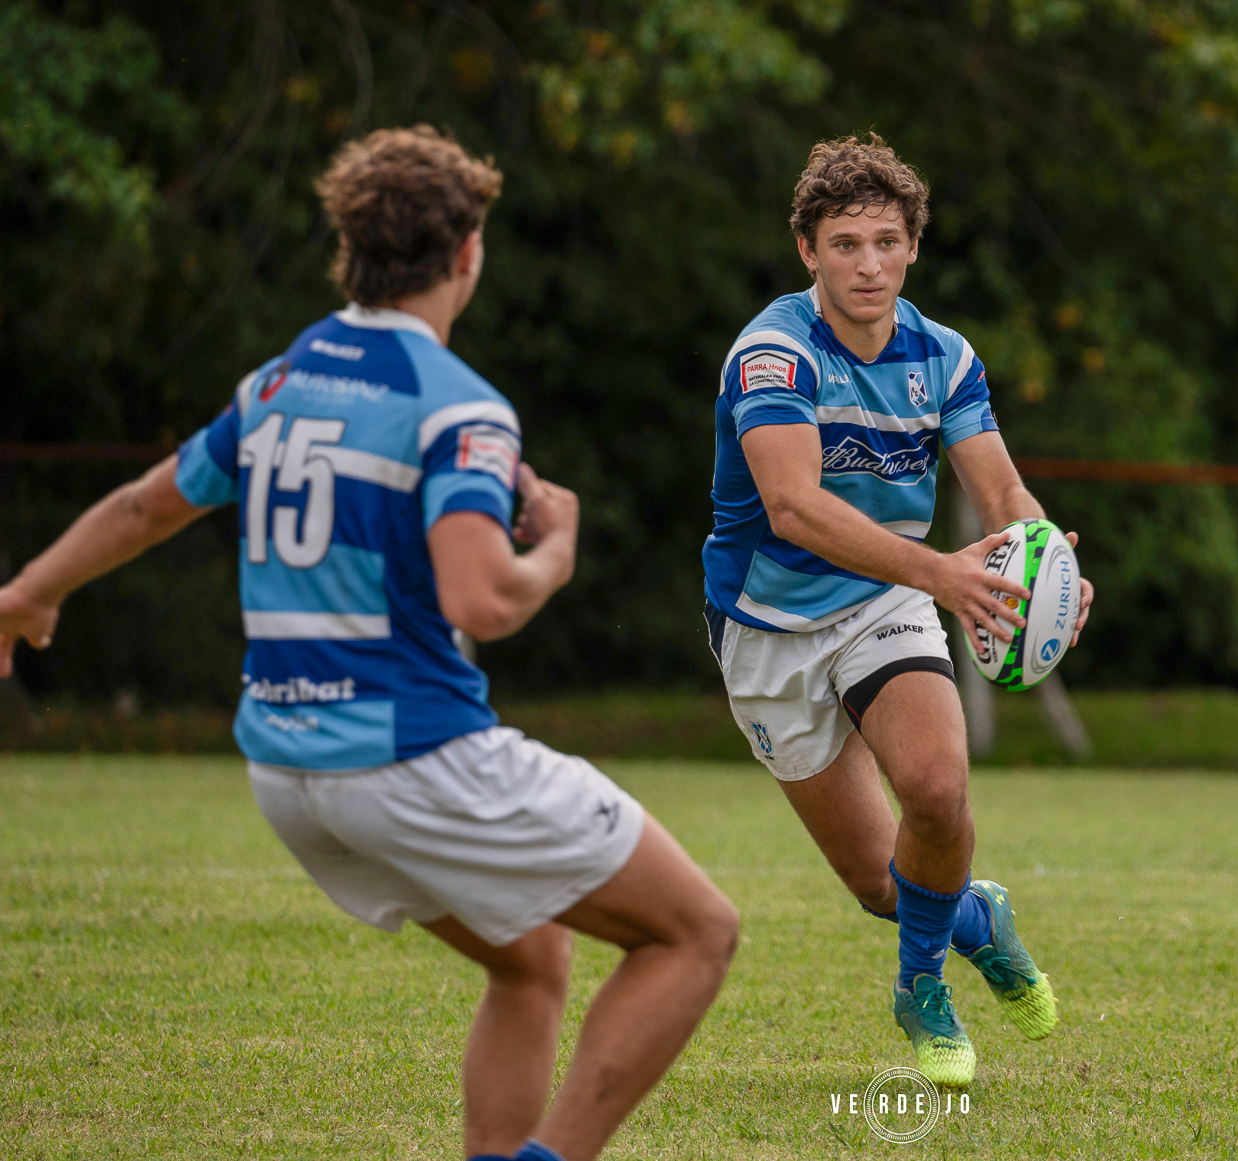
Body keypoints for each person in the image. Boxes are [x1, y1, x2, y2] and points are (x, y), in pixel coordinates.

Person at [0, 126, 737, 1161]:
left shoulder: (279, 381)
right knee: (696, 932)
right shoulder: (459, 406)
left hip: (285, 771)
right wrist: (557, 551)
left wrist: (27, 594)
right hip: (411, 757)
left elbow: (142, 507)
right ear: (467, 253)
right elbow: (483, 600)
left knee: (530, 956)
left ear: (348, 251)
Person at [701, 134, 1095, 1086]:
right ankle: (976, 918)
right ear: (808, 250)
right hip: (766, 625)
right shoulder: (773, 353)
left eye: (886, 242)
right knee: (883, 881)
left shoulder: (944, 357)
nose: (869, 265)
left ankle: (922, 988)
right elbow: (794, 507)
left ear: (914, 245)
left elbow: (1001, 493)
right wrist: (943, 574)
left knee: (937, 789)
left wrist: (1049, 562)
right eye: (845, 244)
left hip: (887, 600)